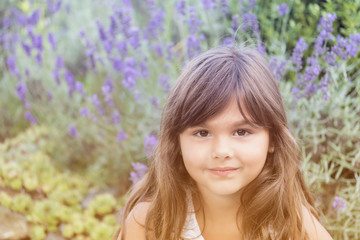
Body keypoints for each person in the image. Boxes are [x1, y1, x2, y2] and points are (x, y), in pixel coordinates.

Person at [115, 46, 333, 240]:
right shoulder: (151, 223)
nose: (221, 151)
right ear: (176, 141)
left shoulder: (291, 226)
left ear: (273, 139)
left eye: (241, 131)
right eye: (202, 133)